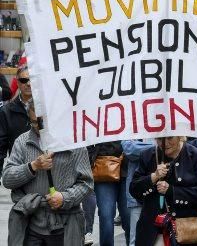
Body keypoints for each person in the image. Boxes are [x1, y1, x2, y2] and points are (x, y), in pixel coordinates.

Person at [3, 100, 93, 246]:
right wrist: (32, 166)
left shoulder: (73, 143)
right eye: (34, 123)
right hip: (30, 222)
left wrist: (64, 198)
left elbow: (87, 184)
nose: (39, 127)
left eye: (43, 122)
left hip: (65, 224)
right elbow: (7, 179)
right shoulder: (22, 141)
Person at [130, 136, 197, 246]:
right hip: (153, 230)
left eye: (170, 138)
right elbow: (134, 190)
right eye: (160, 139)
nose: (165, 143)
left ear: (180, 136)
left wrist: (172, 191)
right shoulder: (147, 155)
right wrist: (153, 177)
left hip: (186, 229)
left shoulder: (196, 156)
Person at [90, 140, 131, 246]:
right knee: (106, 216)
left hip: (128, 166)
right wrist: (92, 157)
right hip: (104, 167)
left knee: (128, 218)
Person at [121, 139, 153, 246]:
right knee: (135, 240)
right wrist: (155, 147)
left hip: (159, 193)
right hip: (136, 195)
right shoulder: (130, 128)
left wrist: (141, 147)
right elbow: (130, 149)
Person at [0, 66, 32, 172]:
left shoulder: (47, 108)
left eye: (32, 79)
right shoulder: (6, 112)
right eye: (24, 80)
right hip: (19, 172)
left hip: (47, 171)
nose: (28, 83)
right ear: (17, 83)